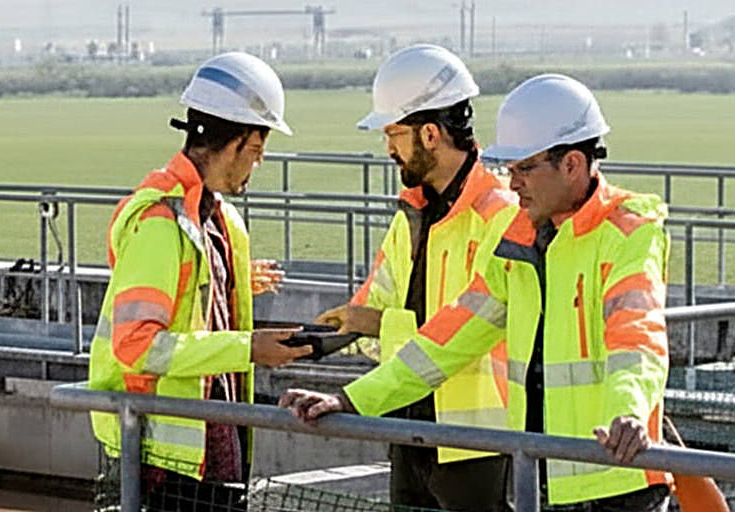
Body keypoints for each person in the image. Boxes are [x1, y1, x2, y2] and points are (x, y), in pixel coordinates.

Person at [280, 74, 675, 512]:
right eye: (510, 168)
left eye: (524, 168)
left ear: (572, 165)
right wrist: (351, 400)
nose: (513, 182)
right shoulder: (519, 240)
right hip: (539, 479)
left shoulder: (627, 234)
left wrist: (629, 414)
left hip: (616, 480)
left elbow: (637, 338)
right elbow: (445, 341)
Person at [87, 51, 312, 512]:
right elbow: (137, 346)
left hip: (205, 449)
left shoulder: (212, 219)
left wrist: (230, 282)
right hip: (166, 463)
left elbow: (184, 299)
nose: (257, 165)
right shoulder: (160, 223)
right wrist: (249, 347)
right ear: (239, 140)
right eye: (257, 151)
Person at [312, 44, 519, 512]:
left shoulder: (502, 216)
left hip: (479, 443)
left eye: (393, 134)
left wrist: (377, 326)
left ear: (429, 134)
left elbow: (470, 332)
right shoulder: (412, 214)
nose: (388, 149)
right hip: (408, 429)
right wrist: (316, 339)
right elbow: (371, 308)